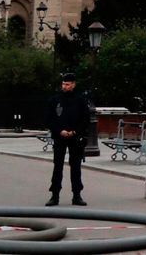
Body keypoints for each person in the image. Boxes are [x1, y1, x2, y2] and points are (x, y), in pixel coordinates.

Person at [45, 72, 91, 206]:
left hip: (75, 137)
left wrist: (76, 131)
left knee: (76, 166)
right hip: (60, 137)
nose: (65, 86)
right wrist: (60, 131)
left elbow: (85, 119)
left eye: (68, 84)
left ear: (73, 85)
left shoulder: (80, 100)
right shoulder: (55, 100)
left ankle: (77, 195)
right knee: (57, 166)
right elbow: (49, 119)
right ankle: (55, 195)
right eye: (63, 84)